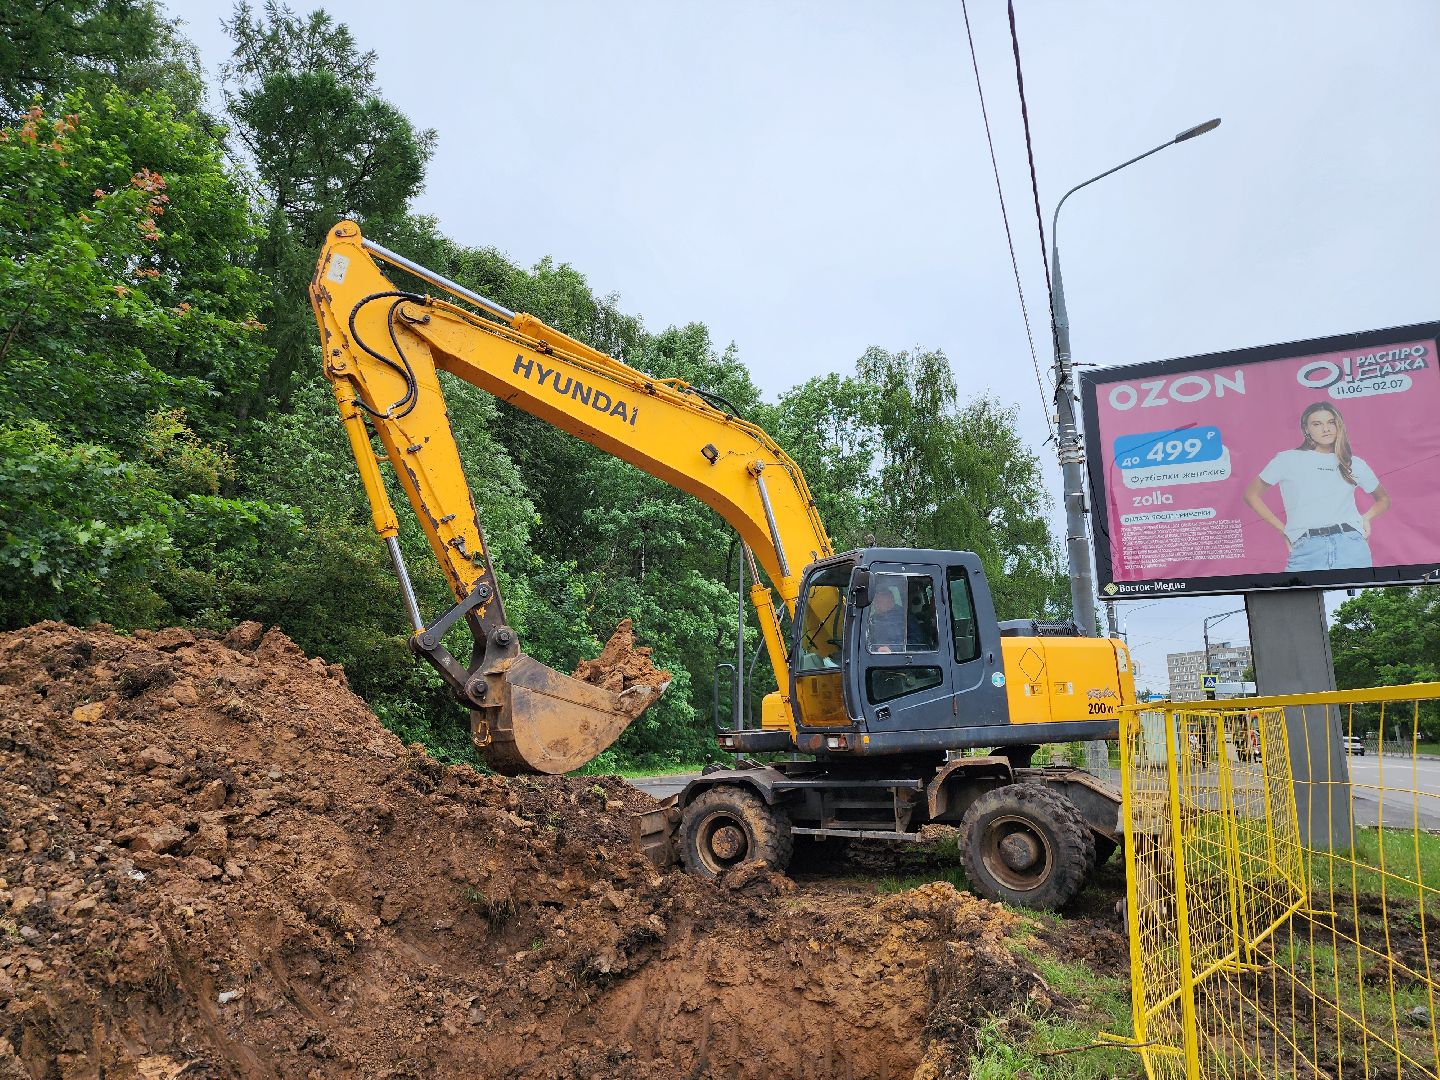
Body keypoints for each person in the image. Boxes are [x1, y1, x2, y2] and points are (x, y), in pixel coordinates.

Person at [1243, 402, 1390, 572]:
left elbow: (1383, 499)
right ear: (1306, 429)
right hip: (1306, 549)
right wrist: (1283, 530)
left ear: (1339, 425)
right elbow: (1251, 495)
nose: (1326, 429)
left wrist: (1367, 518)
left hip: (1351, 546)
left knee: (1359, 597)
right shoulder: (1287, 459)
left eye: (1331, 422)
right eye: (1317, 424)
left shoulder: (1354, 464)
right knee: (1297, 597)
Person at [866, 585, 906, 653]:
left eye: (878, 601)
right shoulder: (872, 619)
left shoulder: (905, 617)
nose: (875, 604)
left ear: (890, 601)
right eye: (875, 601)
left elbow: (916, 641)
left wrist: (892, 649)